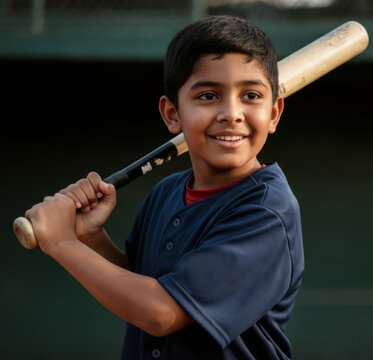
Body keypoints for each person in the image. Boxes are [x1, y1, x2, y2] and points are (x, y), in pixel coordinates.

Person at [25, 15, 304, 359]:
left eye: (250, 94)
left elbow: (160, 312)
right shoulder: (166, 193)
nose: (231, 113)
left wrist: (61, 242)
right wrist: (90, 239)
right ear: (173, 114)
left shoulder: (266, 211)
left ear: (273, 113)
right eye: (208, 95)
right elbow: (140, 287)